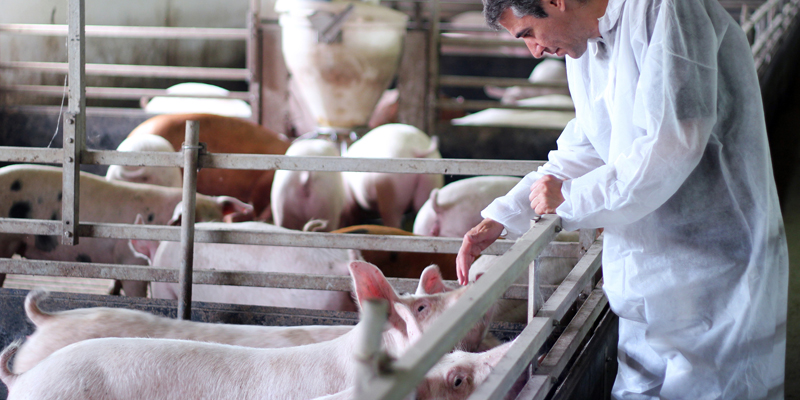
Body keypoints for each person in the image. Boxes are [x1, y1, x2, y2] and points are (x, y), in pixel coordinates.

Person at [455, 0, 789, 398]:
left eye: (528, 33)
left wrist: (569, 198)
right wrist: (504, 215)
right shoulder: (586, 46)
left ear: (556, 2)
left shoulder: (665, 11)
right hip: (645, 274)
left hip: (714, 274)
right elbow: (589, 144)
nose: (534, 51)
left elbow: (676, 142)